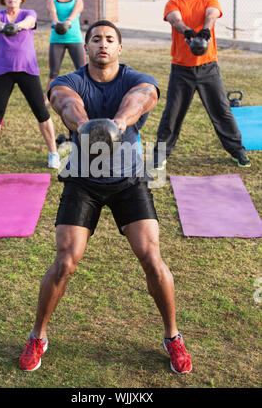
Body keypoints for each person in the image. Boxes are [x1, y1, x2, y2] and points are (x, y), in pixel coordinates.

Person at [19, 20, 192, 375]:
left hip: (128, 180)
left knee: (151, 258)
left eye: (110, 39)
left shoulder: (135, 78)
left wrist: (117, 123)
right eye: (96, 39)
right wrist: (84, 126)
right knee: (66, 261)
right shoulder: (70, 80)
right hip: (83, 181)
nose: (103, 44)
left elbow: (143, 98)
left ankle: (173, 336)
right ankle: (38, 335)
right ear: (86, 48)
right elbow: (64, 102)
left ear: (119, 48)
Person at [153, 0, 250, 169]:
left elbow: (212, 14)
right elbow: (174, 19)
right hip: (181, 69)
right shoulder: (174, 2)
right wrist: (187, 31)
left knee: (222, 111)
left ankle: (238, 151)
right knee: (172, 113)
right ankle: (159, 155)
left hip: (208, 68)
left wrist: (206, 29)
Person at [0, 0, 60, 172]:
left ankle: (53, 153)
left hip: (27, 69)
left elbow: (29, 23)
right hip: (2, 70)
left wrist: (16, 26)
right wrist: (5, 26)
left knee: (41, 111)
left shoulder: (28, 14)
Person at [44, 0, 86, 106]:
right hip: (57, 40)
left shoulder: (77, 1)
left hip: (74, 39)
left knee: (82, 69)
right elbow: (53, 15)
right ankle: (46, 98)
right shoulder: (52, 1)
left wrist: (67, 22)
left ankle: (86, 94)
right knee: (53, 72)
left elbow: (74, 14)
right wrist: (56, 23)